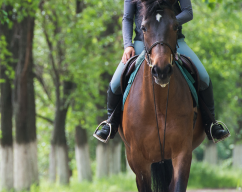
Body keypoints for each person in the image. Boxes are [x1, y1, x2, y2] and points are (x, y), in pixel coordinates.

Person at [94, 0, 230, 142]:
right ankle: (110, 123)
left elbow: (188, 13)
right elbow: (127, 18)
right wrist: (127, 44)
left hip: (173, 41)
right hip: (143, 42)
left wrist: (165, 23)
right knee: (115, 83)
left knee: (204, 77)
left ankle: (211, 124)